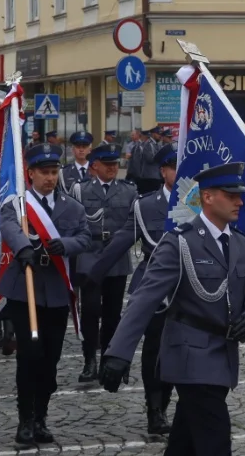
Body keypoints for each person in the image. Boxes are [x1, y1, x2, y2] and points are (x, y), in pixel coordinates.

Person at [99, 162, 245, 455]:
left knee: (184, 442)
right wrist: (117, 353)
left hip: (223, 354)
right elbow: (145, 298)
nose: (240, 201)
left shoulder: (240, 243)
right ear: (208, 197)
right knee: (215, 440)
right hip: (190, 356)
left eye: (239, 194)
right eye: (231, 195)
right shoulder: (180, 242)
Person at [0, 143, 94, 446]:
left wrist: (65, 244)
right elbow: (9, 226)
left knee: (51, 360)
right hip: (25, 290)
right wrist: (23, 247)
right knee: (29, 356)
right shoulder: (19, 204)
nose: (50, 178)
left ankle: (41, 416)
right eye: (44, 172)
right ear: (31, 174)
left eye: (54, 172)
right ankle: (25, 419)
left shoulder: (72, 207)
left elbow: (85, 237)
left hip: (55, 290)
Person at [80, 143, 180, 435]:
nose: (179, 172)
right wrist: (92, 274)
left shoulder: (200, 202)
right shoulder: (147, 205)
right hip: (155, 289)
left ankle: (170, 402)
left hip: (189, 291)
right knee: (155, 351)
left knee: (179, 351)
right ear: (163, 171)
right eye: (174, 167)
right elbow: (123, 240)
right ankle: (155, 408)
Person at [70, 143, 137, 384]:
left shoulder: (129, 191)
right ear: (94, 165)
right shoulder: (80, 190)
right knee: (89, 311)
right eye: (107, 164)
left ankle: (110, 358)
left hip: (116, 257)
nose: (112, 168)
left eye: (115, 164)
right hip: (89, 255)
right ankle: (90, 360)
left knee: (112, 313)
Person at [59, 130, 95, 194]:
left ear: (90, 150)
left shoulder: (97, 170)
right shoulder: (64, 172)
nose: (81, 150)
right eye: (78, 147)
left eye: (84, 147)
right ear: (73, 150)